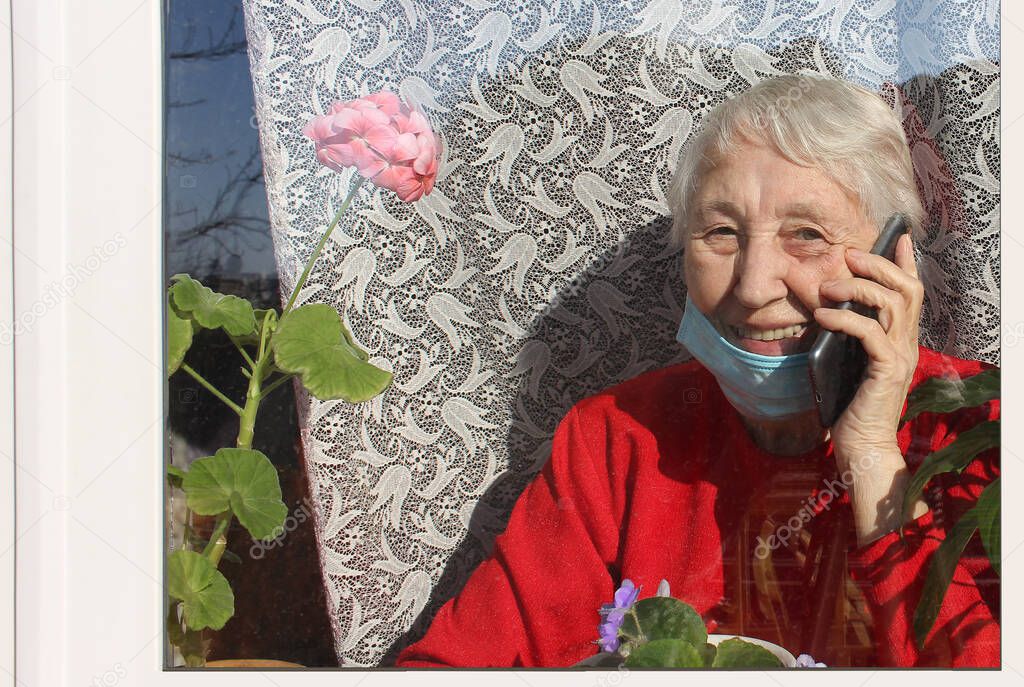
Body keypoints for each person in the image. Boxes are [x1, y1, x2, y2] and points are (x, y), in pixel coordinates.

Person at [393, 74, 1000, 668]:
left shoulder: (984, 430)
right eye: (721, 233)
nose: (755, 285)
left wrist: (870, 457)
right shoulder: (616, 439)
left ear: (892, 259)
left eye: (808, 234)